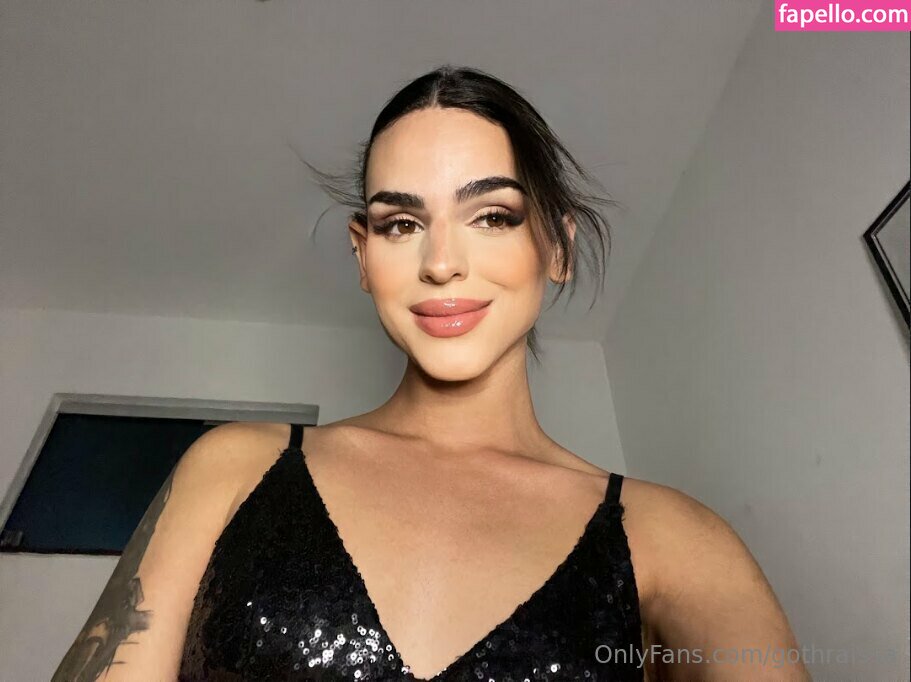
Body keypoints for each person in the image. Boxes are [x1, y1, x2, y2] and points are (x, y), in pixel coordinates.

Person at [52, 65, 809, 681]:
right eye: (401, 224)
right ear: (363, 255)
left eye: (492, 216)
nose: (441, 263)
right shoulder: (233, 469)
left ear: (557, 247)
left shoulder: (674, 539)